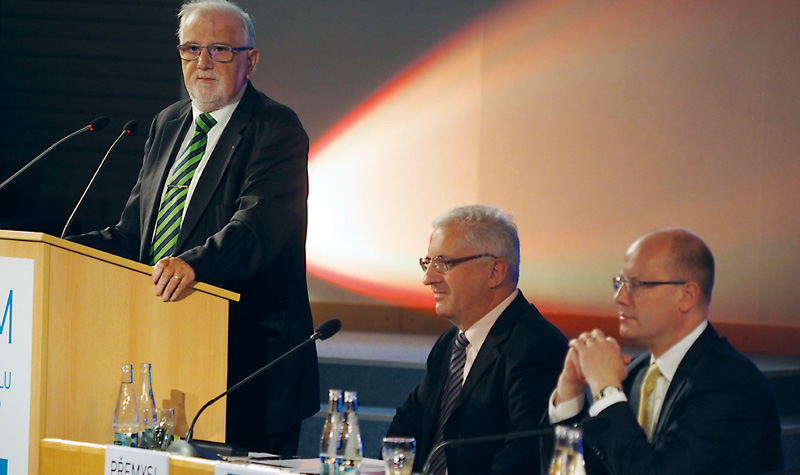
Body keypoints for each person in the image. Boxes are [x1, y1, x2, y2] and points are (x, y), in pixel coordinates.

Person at [68, 0, 318, 456]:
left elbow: (257, 228)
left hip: (249, 363)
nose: (202, 62)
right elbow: (135, 236)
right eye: (191, 49)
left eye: (219, 49)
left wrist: (193, 264)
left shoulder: (275, 128)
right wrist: (59, 249)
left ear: (250, 60)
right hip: (167, 347)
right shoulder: (168, 123)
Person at [548, 228, 784, 474]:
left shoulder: (732, 385)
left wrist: (606, 389)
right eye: (620, 283)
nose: (619, 297)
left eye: (636, 285)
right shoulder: (635, 374)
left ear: (687, 296)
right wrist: (569, 396)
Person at [386, 205, 569, 475]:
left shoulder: (538, 347)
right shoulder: (451, 342)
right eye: (428, 263)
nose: (428, 278)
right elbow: (405, 428)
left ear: (495, 272)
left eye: (443, 264)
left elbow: (524, 457)